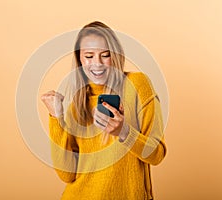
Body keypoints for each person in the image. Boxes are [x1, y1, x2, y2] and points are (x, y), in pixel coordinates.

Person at [41, 21, 167, 200]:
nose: (97, 63)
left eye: (105, 55)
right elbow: (67, 175)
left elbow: (157, 155)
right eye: (89, 56)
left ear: (115, 55)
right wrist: (56, 117)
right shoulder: (78, 104)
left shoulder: (137, 85)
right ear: (80, 59)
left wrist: (123, 132)